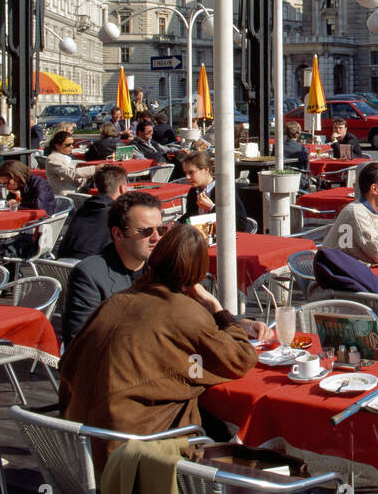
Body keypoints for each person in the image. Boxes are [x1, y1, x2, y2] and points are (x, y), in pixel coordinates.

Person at [60, 222, 263, 467]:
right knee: (220, 430)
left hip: (81, 445)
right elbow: (241, 358)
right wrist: (217, 309)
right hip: (136, 453)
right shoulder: (184, 313)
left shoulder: (117, 300)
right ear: (198, 272)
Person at [61, 191, 164, 345]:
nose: (156, 238)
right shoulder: (89, 275)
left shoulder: (163, 267)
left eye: (161, 230)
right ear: (118, 234)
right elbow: (80, 344)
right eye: (146, 231)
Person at [57, 164, 128, 259]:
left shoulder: (84, 207)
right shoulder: (116, 214)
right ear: (122, 188)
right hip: (90, 267)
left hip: (59, 266)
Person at [180, 150, 251, 232]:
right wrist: (177, 223)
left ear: (206, 169)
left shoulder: (224, 190)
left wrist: (212, 207)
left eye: (191, 172)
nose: (187, 177)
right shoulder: (193, 191)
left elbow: (240, 223)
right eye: (185, 173)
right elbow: (190, 216)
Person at [44, 129, 98, 195]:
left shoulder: (64, 157)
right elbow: (70, 174)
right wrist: (95, 169)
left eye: (73, 144)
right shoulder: (52, 158)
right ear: (57, 145)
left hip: (74, 192)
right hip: (65, 197)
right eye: (68, 145)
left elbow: (75, 180)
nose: (72, 147)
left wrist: (86, 177)